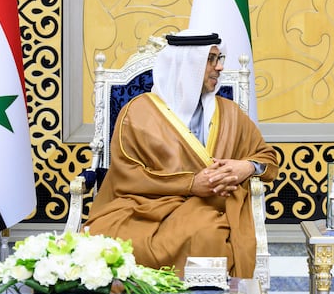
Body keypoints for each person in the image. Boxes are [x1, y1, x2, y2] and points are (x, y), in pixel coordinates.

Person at [85, 30, 278, 278]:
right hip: (145, 203)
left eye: (220, 59)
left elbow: (267, 159)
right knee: (104, 236)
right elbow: (126, 174)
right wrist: (190, 184)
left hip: (209, 205)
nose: (219, 68)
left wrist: (247, 167)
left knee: (207, 234)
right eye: (211, 59)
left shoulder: (229, 113)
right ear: (187, 64)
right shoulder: (137, 112)